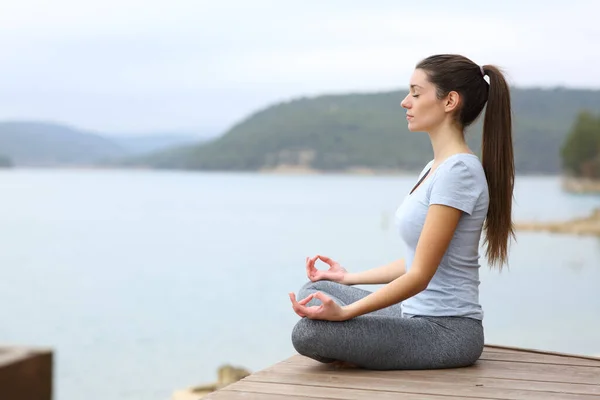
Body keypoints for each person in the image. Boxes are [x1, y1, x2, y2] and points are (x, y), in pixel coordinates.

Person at [288, 54, 515, 370]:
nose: (405, 102)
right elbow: (417, 259)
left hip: (446, 332)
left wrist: (345, 314)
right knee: (315, 290)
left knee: (309, 333)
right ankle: (369, 348)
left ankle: (367, 349)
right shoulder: (436, 168)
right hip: (414, 314)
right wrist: (348, 277)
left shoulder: (458, 172)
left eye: (416, 93)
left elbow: (420, 276)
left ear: (450, 101)